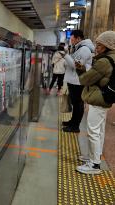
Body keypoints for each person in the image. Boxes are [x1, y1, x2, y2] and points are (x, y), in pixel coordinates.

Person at [75, 31, 115, 174]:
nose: (96, 47)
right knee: (99, 132)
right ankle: (94, 158)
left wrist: (79, 69)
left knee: (93, 131)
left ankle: (94, 165)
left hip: (99, 99)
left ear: (107, 46)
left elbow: (86, 79)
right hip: (105, 99)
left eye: (99, 44)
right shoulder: (111, 58)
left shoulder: (104, 61)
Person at [62, 30, 95, 133]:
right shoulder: (79, 48)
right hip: (74, 80)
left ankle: (75, 126)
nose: (71, 41)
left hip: (78, 81)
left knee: (78, 104)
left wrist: (65, 55)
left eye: (72, 39)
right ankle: (72, 122)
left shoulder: (84, 49)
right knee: (75, 103)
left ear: (78, 38)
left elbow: (76, 65)